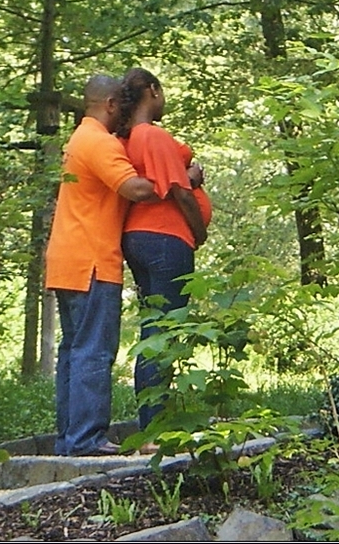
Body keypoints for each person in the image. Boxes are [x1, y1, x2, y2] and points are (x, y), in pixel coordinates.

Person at [45, 74, 157, 456]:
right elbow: (134, 189)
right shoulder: (99, 142)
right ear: (109, 104)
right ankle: (87, 439)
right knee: (94, 350)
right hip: (92, 261)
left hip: (66, 259)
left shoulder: (78, 138)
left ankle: (69, 438)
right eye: (120, 107)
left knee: (74, 351)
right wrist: (178, 178)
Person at [117, 67, 211, 431]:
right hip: (165, 239)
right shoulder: (152, 136)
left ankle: (155, 423)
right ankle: (156, 428)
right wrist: (199, 232)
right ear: (153, 91)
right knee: (164, 332)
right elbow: (180, 193)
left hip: (144, 238)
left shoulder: (134, 138)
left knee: (155, 328)